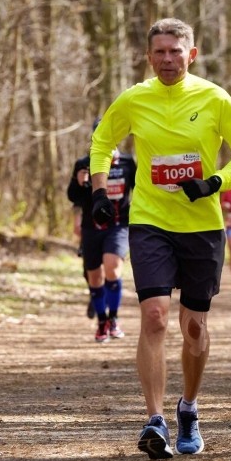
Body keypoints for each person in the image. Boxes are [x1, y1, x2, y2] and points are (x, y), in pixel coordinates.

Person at [90, 18, 231, 459]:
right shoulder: (134, 98)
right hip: (149, 221)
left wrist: (214, 183)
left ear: (192, 54)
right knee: (154, 318)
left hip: (202, 226)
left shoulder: (213, 97)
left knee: (194, 327)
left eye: (175, 52)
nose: (167, 60)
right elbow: (101, 141)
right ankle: (154, 419)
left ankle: (188, 408)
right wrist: (97, 192)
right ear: (149, 57)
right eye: (160, 52)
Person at [67, 143, 136, 342]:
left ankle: (113, 320)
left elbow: (138, 189)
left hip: (118, 225)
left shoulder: (126, 162)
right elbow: (73, 196)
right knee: (95, 277)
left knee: (113, 268)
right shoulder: (84, 163)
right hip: (91, 227)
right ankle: (101, 322)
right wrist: (79, 183)